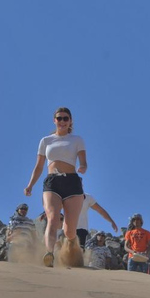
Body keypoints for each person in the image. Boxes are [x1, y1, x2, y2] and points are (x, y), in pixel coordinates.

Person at [24, 107, 87, 267]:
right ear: (54, 120)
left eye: (66, 118)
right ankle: (49, 253)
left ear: (70, 121)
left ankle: (72, 245)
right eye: (59, 118)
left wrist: (83, 167)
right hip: (52, 182)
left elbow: (83, 161)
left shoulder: (77, 139)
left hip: (72, 183)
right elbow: (39, 166)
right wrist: (30, 185)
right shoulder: (46, 140)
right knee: (52, 218)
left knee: (69, 230)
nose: (62, 121)